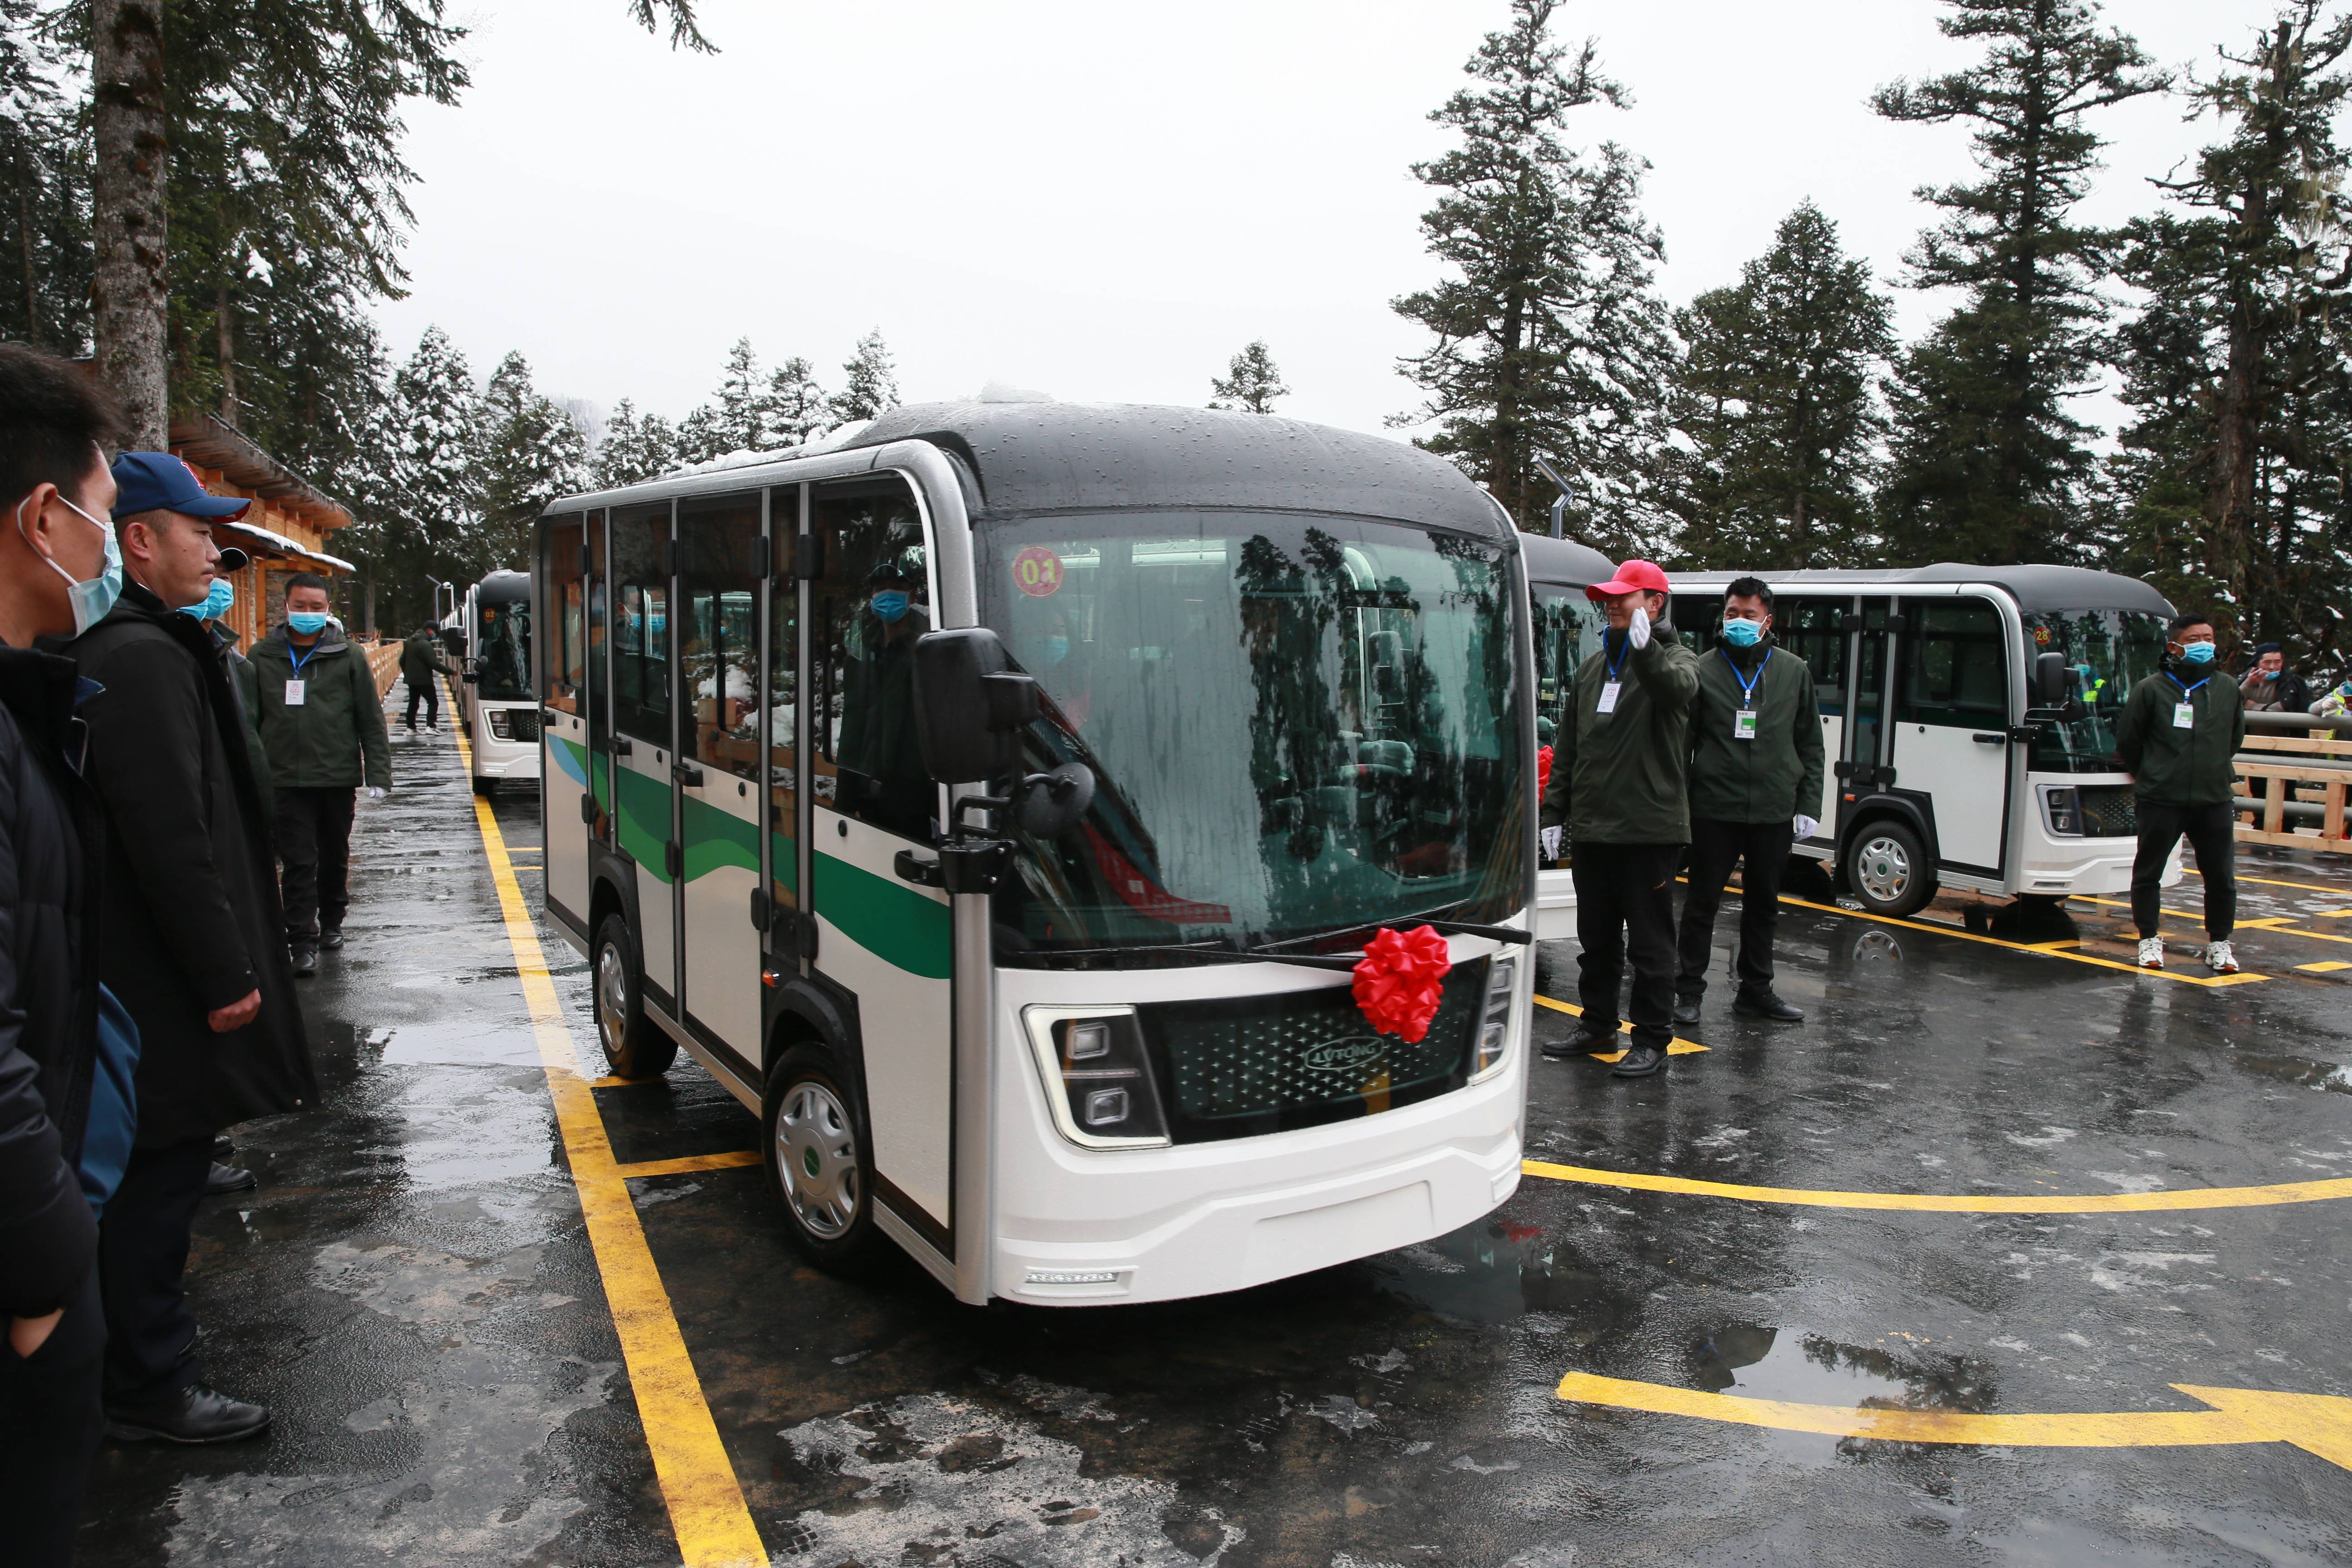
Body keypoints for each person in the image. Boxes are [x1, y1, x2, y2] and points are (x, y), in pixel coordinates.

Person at [68, 450, 315, 1444]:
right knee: (155, 1181)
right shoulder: (136, 660)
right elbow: (171, 836)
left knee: (159, 1172)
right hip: (162, 982)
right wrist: (227, 974)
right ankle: (148, 1380)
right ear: (139, 539)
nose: (216, 552)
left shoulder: (151, 647)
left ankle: (136, 1362)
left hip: (150, 971)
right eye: (200, 532)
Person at [0, 343, 132, 1567]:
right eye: (102, 520)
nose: (108, 554)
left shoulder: (26, 705)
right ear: (41, 516)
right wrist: (48, 1279)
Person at [1538, 559, 1699, 1078]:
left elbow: (1676, 690)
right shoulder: (1592, 667)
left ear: (1655, 604)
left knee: (1652, 947)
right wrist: (1555, 811)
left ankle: (1652, 1038)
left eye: (1623, 596)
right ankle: (1598, 1024)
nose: (1610, 603)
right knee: (1598, 940)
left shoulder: (1677, 658)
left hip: (1648, 830)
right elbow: (1569, 746)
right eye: (1608, 597)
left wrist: (1646, 649)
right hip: (1594, 828)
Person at [1672, 578, 1824, 1027]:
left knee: (1764, 906)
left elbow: (1810, 744)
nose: (1739, 622)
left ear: (1768, 621)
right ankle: (1688, 992)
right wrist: (1679, 807)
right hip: (1713, 810)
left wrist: (1808, 804)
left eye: (1749, 615)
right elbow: (1683, 747)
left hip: (1774, 811)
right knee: (1701, 905)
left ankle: (1756, 992)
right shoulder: (1701, 670)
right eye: (1732, 613)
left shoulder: (1794, 671)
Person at [247, 573, 391, 975]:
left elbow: (370, 718)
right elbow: (249, 720)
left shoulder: (347, 656)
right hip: (285, 780)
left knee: (334, 855)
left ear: (328, 610)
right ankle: (301, 939)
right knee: (297, 860)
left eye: (316, 607)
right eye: (300, 606)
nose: (307, 613)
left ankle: (331, 922)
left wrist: (378, 772)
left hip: (336, 776)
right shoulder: (262, 657)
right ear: (287, 606)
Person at [2116, 610, 2245, 975]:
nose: (2204, 645)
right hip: (2161, 799)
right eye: (2193, 640)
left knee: (2220, 875)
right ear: (2174, 646)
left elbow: (2234, 738)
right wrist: (2153, 775)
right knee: (2148, 872)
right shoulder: (2151, 689)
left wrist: (2211, 767)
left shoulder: (2227, 688)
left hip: (2214, 799)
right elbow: (2129, 741)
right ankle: (2149, 939)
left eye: (2208, 637)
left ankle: (2219, 943)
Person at [399, 623, 450, 731]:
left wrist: (407, 673)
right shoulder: (425, 644)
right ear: (429, 630)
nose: (435, 634)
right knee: (433, 702)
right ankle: (431, 726)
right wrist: (450, 672)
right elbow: (434, 663)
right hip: (424, 680)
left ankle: (410, 728)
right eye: (435, 632)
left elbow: (402, 660)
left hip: (412, 680)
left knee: (413, 703)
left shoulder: (409, 642)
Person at [2239, 643, 2312, 713]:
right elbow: (2232, 702)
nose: (2272, 667)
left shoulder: (2291, 681)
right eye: (2267, 662)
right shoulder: (2246, 679)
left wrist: (2254, 706)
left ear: (2282, 662)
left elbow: (2288, 706)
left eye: (2277, 662)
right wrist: (2248, 684)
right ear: (2258, 663)